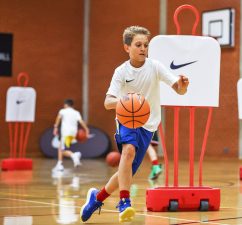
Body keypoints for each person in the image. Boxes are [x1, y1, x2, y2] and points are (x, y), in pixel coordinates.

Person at [80, 25, 189, 223]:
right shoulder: (121, 71)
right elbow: (107, 102)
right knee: (128, 151)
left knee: (127, 172)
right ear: (126, 47)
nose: (143, 49)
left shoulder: (155, 66)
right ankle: (124, 202)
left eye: (145, 45)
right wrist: (126, 102)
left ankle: (97, 198)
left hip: (148, 125)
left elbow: (179, 90)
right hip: (127, 119)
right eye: (138, 45)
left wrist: (183, 86)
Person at [52, 99, 89, 172]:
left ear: (65, 105)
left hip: (66, 132)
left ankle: (74, 155)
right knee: (60, 148)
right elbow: (81, 121)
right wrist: (86, 129)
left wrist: (55, 127)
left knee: (62, 150)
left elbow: (58, 118)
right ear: (73, 105)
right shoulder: (76, 112)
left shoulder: (63, 111)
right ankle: (60, 164)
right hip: (73, 133)